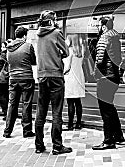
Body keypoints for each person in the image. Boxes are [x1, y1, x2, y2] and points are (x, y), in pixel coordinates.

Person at [34, 10, 72, 155]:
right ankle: (57, 146)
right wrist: (60, 53)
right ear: (51, 21)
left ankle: (39, 145)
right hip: (55, 75)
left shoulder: (38, 35)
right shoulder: (56, 33)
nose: (56, 21)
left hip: (42, 76)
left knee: (41, 112)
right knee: (56, 112)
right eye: (55, 19)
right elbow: (67, 52)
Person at [92, 16, 125, 150]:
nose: (99, 28)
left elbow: (99, 60)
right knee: (110, 107)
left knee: (105, 109)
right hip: (114, 76)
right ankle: (118, 136)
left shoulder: (104, 38)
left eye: (99, 25)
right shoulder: (116, 38)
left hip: (105, 77)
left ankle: (108, 140)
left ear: (104, 26)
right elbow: (120, 58)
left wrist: (95, 74)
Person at [3, 27, 36, 138]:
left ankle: (7, 131)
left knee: (12, 104)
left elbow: (9, 62)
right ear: (24, 36)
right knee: (26, 104)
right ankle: (27, 131)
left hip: (12, 79)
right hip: (26, 77)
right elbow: (33, 61)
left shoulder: (9, 48)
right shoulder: (28, 46)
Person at [63, 34, 86, 131]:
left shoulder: (69, 51)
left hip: (70, 77)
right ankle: (78, 123)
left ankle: (70, 124)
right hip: (79, 77)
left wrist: (62, 72)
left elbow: (67, 66)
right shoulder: (82, 50)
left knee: (70, 102)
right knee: (78, 102)